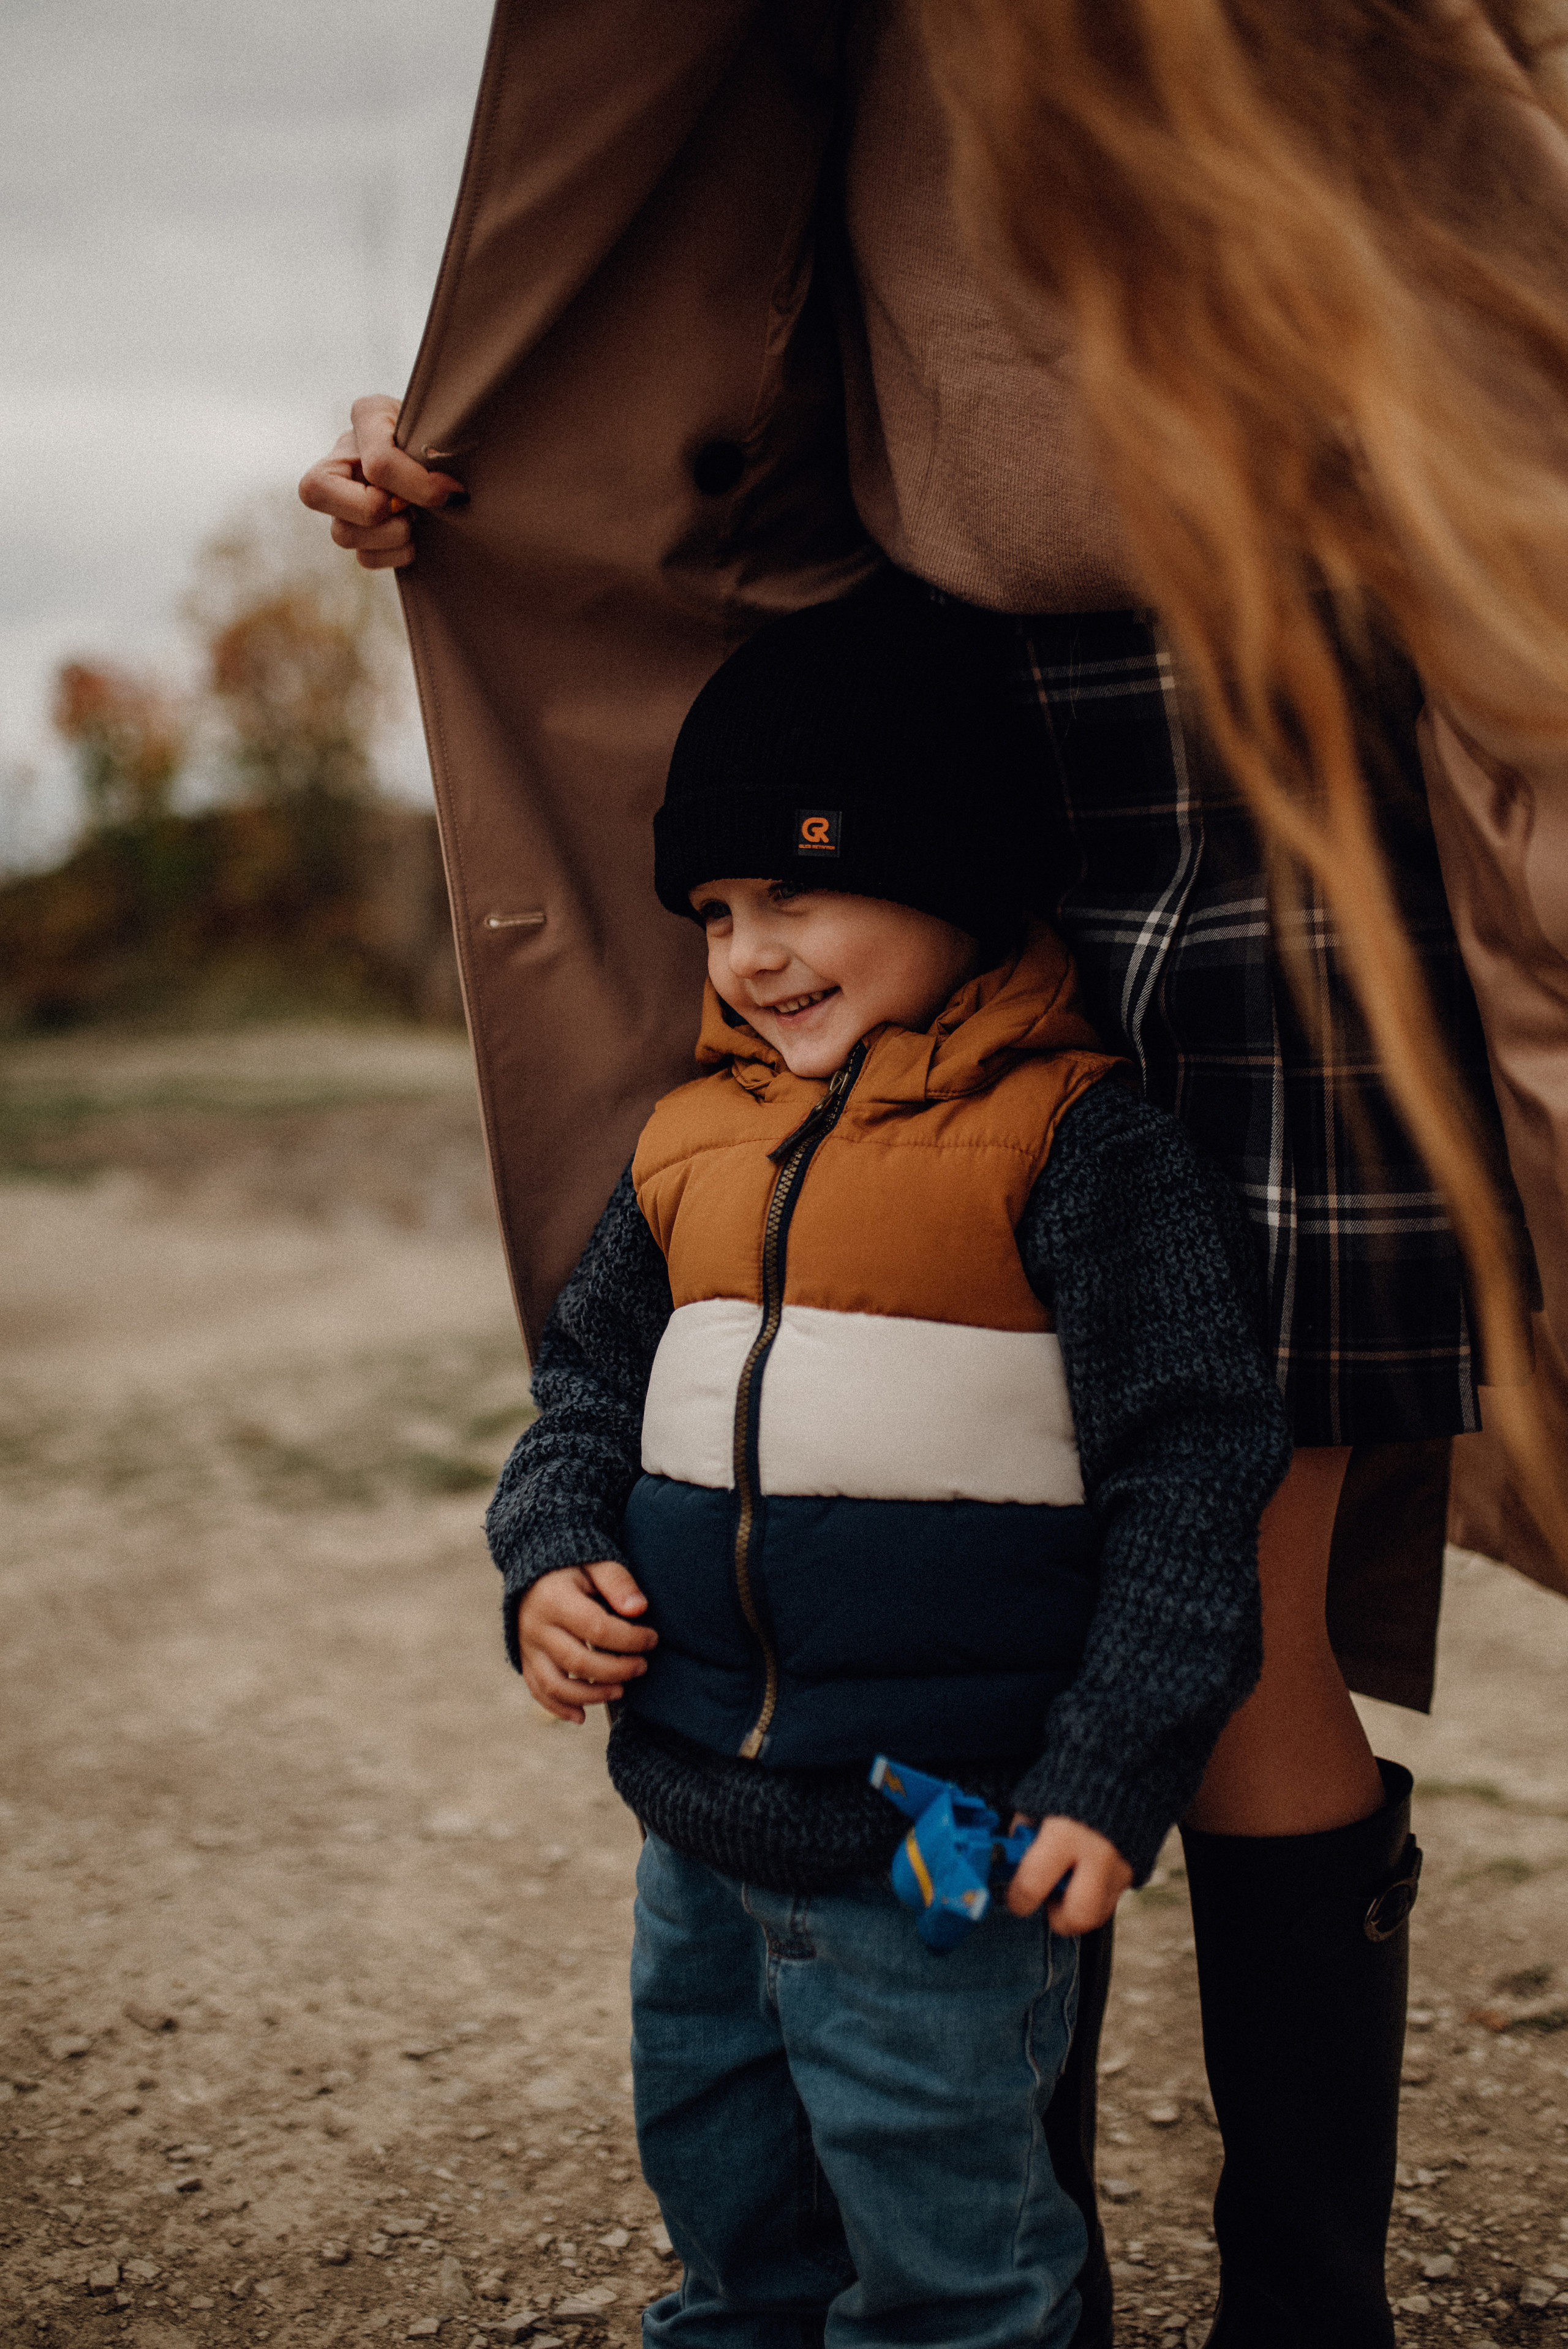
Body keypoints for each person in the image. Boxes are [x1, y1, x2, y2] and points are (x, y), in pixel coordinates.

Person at [298, 5, 1568, 2339]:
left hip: (1299, 730)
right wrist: (467, 451)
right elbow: (706, 321)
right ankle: (1008, 2264)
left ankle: (1312, 2311)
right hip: (934, 738)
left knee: (1246, 1615)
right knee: (981, 1545)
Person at [488, 577, 1295, 2349]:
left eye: (800, 887)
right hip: (695, 1815)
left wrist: (1107, 1771)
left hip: (946, 1829)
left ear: (952, 869)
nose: (749, 951)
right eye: (714, 908)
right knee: (728, 2198)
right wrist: (544, 1555)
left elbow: (1189, 1472)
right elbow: (583, 1395)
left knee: (947, 2225)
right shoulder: (685, 1140)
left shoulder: (1084, 1148)